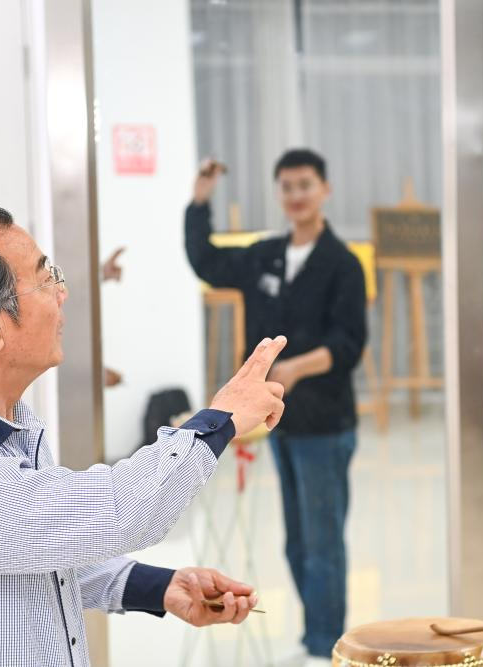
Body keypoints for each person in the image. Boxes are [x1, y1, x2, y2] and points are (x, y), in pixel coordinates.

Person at [0, 200, 288, 666]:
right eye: (46, 279)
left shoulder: (8, 420)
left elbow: (30, 545)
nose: (63, 293)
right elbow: (121, 510)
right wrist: (221, 418)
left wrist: (159, 587)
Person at [185, 150, 367, 665]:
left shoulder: (343, 264)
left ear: (325, 189)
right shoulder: (265, 255)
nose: (296, 195)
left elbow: (349, 344)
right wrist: (200, 198)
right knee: (297, 543)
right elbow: (206, 260)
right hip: (279, 424)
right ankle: (317, 640)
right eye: (287, 186)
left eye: (305, 185)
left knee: (322, 543)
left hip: (325, 424)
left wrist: (295, 368)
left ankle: (325, 647)